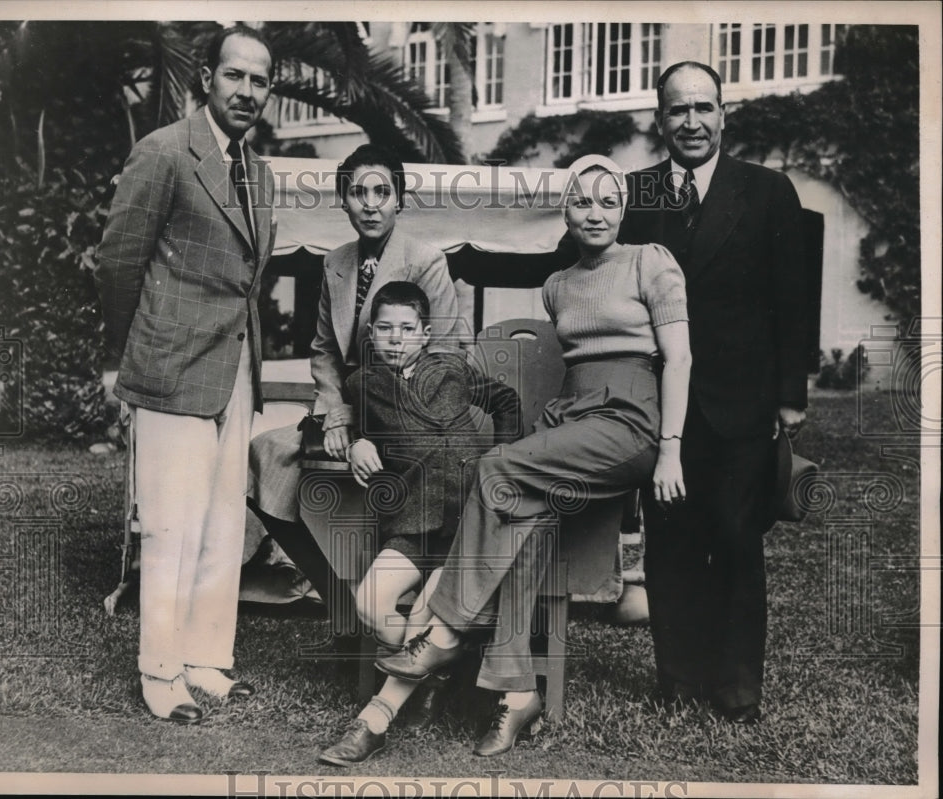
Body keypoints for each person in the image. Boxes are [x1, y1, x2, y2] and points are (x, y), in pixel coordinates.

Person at [376, 155, 692, 756]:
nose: (594, 213)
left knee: (497, 468)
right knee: (527, 515)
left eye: (607, 201)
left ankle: (444, 630)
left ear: (622, 209)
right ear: (565, 212)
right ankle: (517, 691)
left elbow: (678, 359)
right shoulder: (557, 285)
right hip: (572, 415)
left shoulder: (651, 261)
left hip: (630, 419)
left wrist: (670, 449)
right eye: (581, 201)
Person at [616, 61, 809, 724]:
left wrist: (789, 396)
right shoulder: (634, 195)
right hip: (656, 404)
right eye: (678, 110)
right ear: (660, 119)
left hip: (741, 402)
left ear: (724, 113)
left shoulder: (766, 192)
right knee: (668, 542)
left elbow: (794, 300)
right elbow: (571, 251)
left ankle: (736, 687)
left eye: (704, 108)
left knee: (733, 536)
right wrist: (465, 253)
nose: (691, 122)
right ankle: (678, 678)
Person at [95, 26, 277, 723]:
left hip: (234, 369)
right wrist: (122, 361)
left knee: (224, 520)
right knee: (171, 524)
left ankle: (205, 658)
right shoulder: (165, 152)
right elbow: (118, 263)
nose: (247, 93)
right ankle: (161, 670)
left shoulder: (258, 172)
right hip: (170, 367)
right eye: (235, 76)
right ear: (206, 77)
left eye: (260, 81)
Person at [247, 144, 471, 603]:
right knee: (263, 456)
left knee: (375, 480)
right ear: (343, 200)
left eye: (382, 192)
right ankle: (337, 597)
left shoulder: (427, 261)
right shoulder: (336, 262)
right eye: (358, 192)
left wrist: (361, 423)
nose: (370, 203)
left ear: (399, 200)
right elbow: (325, 350)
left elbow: (445, 356)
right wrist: (336, 415)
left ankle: (391, 596)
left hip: (409, 412)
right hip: (346, 406)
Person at [318, 281, 521, 766]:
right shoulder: (361, 385)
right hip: (412, 523)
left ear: (425, 334)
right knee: (370, 602)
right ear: (371, 334)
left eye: (406, 329)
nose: (395, 338)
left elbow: (507, 401)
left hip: (467, 525)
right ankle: (430, 677)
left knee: (424, 616)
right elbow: (362, 429)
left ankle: (374, 721)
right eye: (384, 329)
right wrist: (357, 443)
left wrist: (501, 457)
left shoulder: (451, 370)